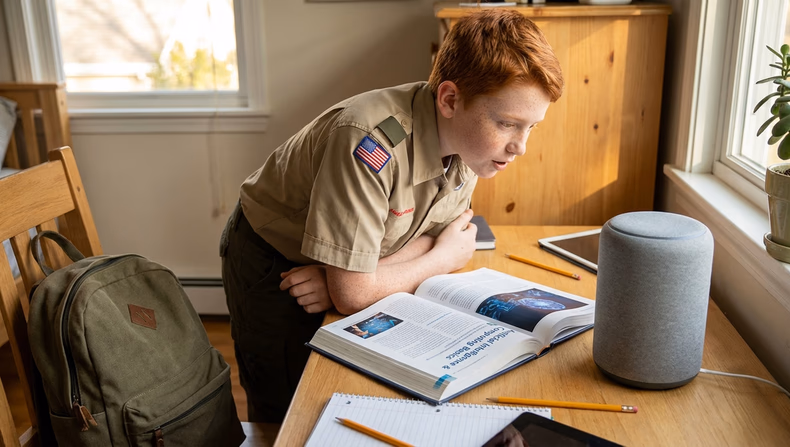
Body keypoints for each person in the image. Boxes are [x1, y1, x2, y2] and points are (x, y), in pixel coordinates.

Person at [219, 8, 564, 423]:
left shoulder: (470, 145)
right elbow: (436, 250)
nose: (520, 146)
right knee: (286, 408)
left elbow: (429, 235)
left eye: (532, 127)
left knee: (340, 397)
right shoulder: (369, 142)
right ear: (451, 99)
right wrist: (438, 260)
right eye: (508, 123)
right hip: (272, 259)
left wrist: (346, 281)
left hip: (339, 269)